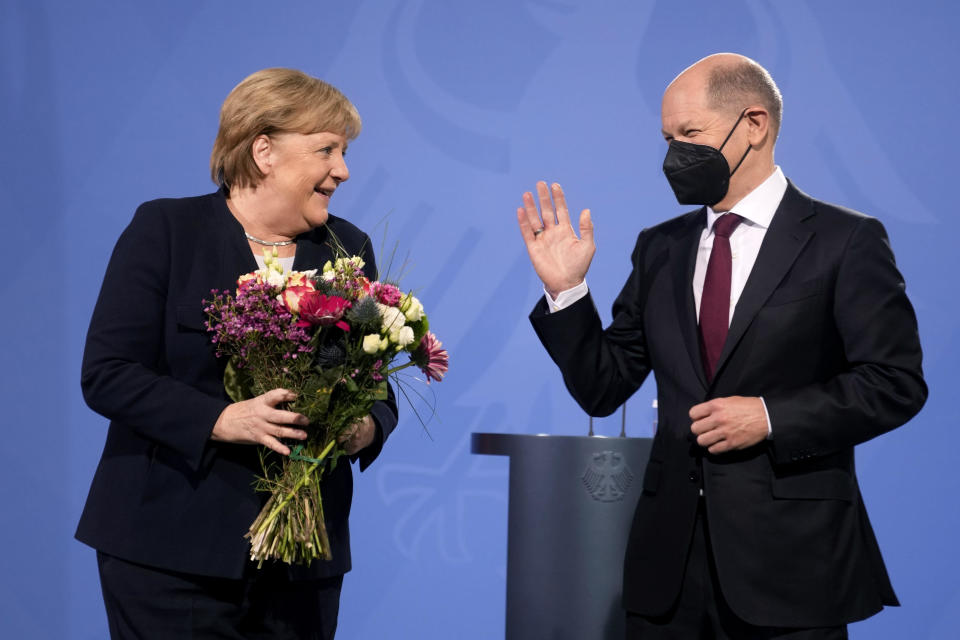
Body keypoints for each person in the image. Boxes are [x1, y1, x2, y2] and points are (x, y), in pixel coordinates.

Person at [517, 53, 926, 639]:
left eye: (690, 134)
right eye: (667, 138)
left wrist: (769, 417)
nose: (673, 155)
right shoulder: (660, 247)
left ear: (754, 125)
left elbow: (895, 382)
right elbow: (603, 388)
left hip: (792, 572)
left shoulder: (846, 240)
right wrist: (567, 292)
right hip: (668, 577)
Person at [78, 68, 398, 639]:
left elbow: (375, 383)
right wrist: (222, 419)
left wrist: (365, 427)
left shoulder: (349, 249)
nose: (343, 170)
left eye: (344, 151)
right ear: (264, 150)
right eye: (327, 149)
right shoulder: (167, 229)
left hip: (304, 565)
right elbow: (108, 374)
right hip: (170, 555)